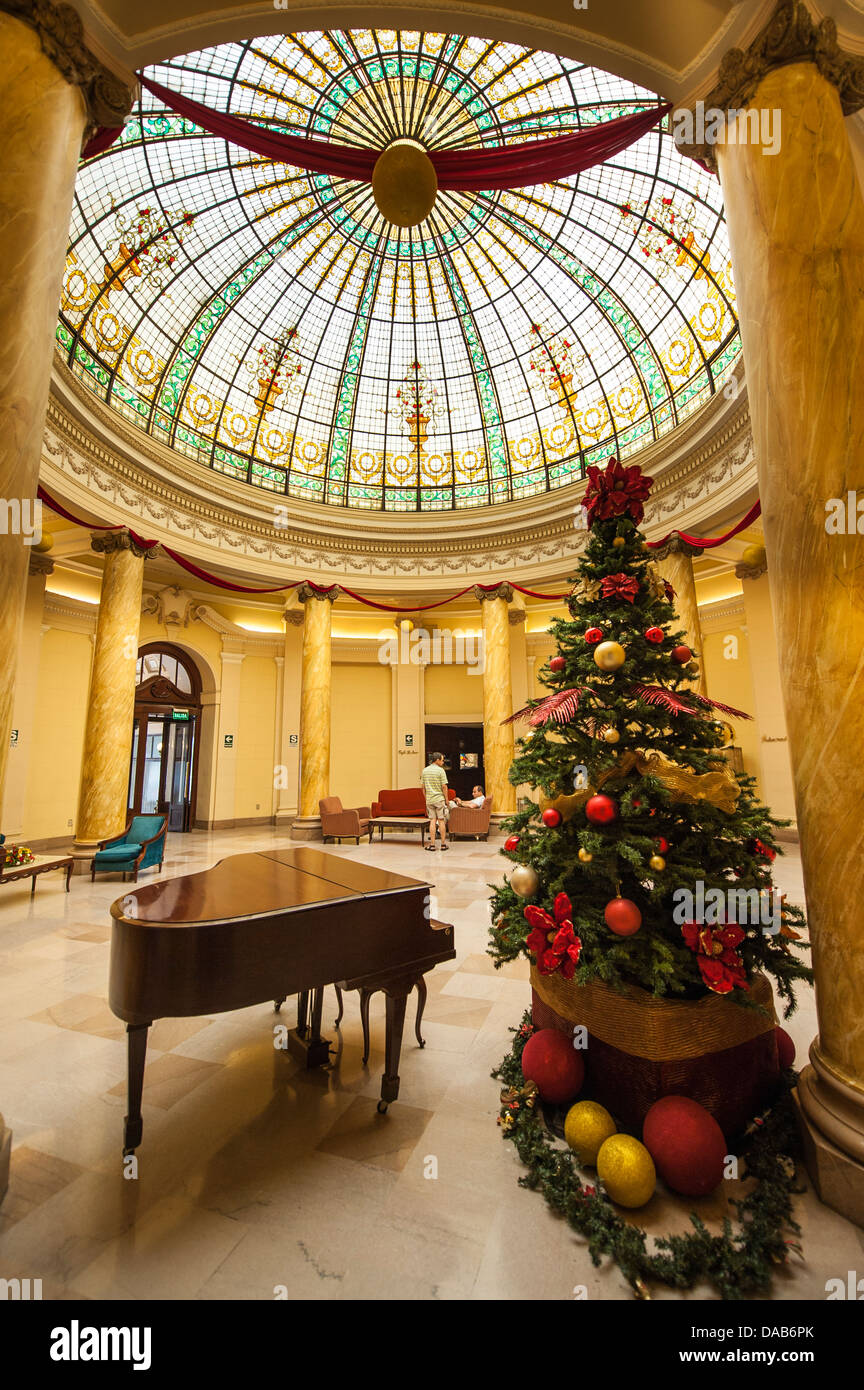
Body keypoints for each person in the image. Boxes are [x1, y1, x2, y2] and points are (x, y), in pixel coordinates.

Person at [421, 752, 450, 851]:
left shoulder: (425, 771)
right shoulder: (441, 771)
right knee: (441, 821)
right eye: (442, 760)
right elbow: (444, 786)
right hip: (439, 799)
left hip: (430, 800)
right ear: (437, 760)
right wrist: (446, 799)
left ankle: (432, 845)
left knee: (432, 821)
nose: (443, 762)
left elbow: (423, 788)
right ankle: (443, 844)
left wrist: (426, 799)